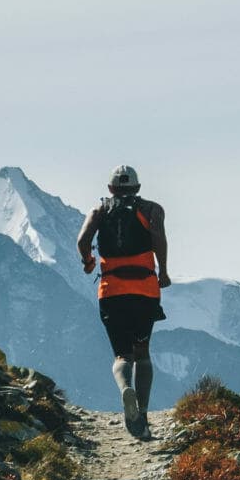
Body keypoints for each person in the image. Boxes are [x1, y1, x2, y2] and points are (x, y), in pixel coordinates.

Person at [77, 164, 169, 439]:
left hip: (112, 290)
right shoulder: (152, 209)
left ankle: (124, 389)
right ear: (138, 188)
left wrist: (89, 262)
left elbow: (82, 240)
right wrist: (163, 271)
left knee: (121, 355)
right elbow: (159, 239)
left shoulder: (99, 211)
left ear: (110, 189)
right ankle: (141, 413)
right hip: (145, 290)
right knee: (142, 352)